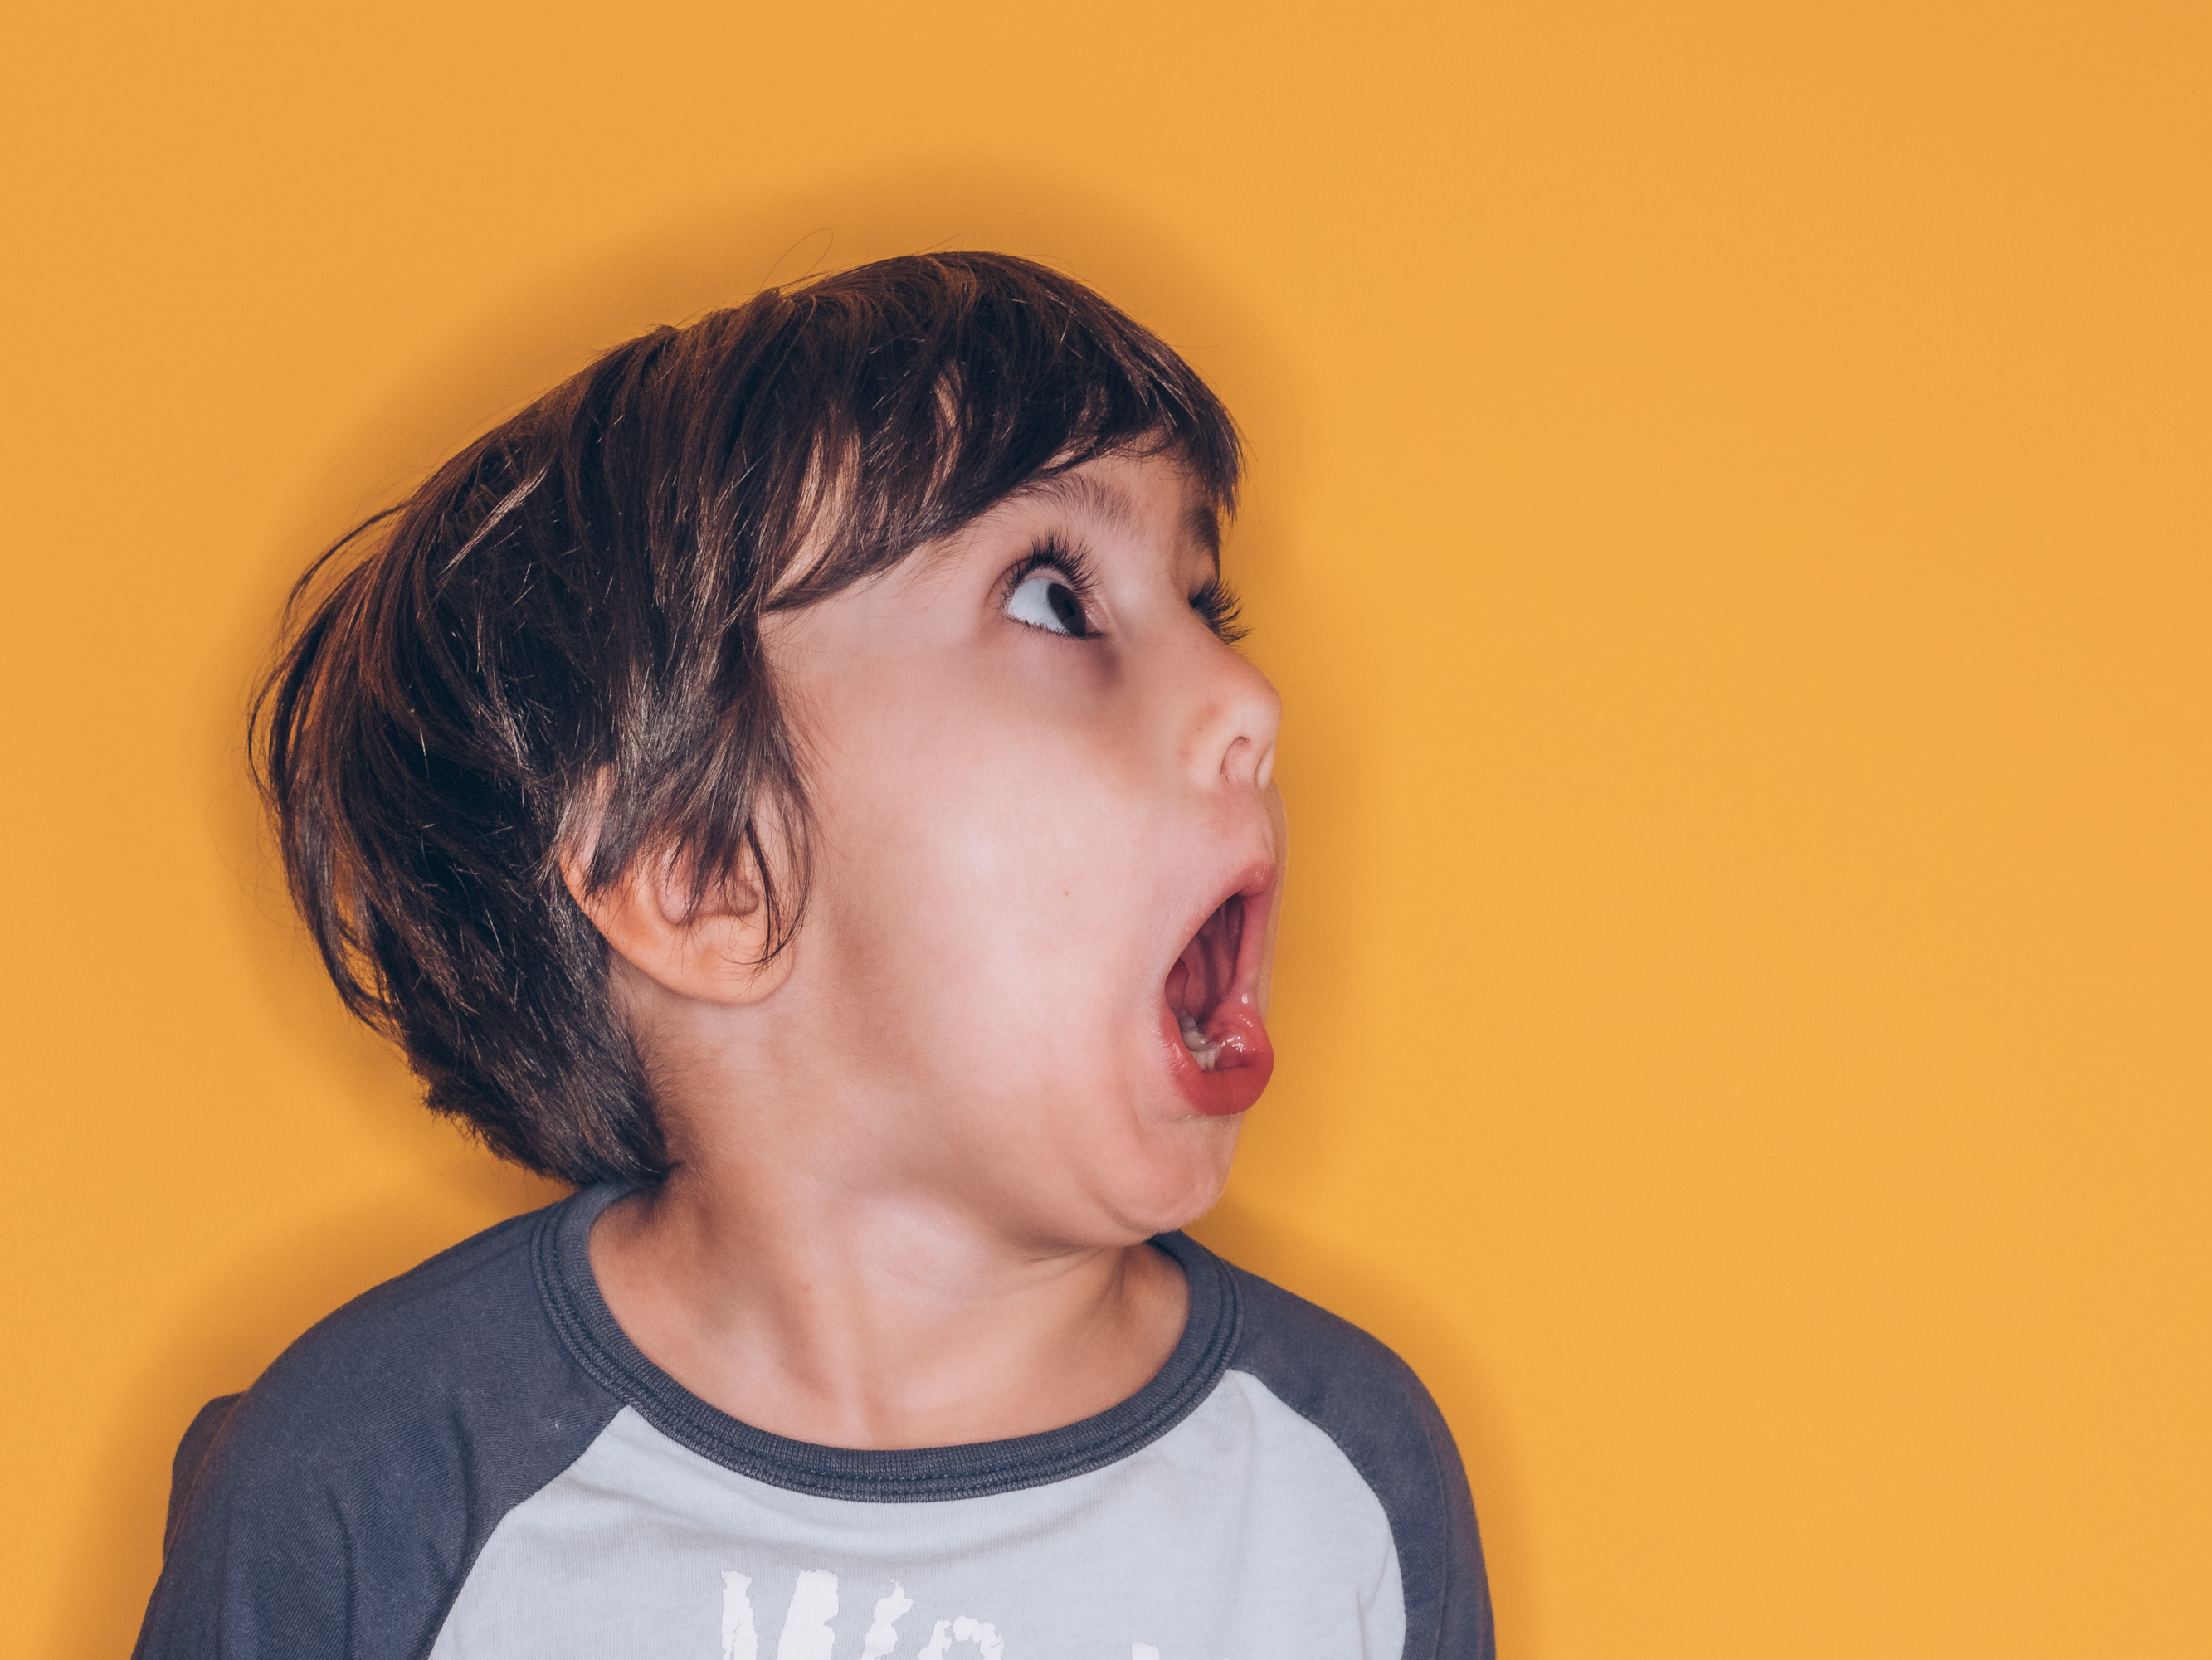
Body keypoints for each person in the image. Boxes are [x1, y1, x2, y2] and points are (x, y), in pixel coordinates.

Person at [134, 253, 1492, 1660]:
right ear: (708, 877)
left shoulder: (1345, 1485)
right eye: (1053, 599)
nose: (1247, 699)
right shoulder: (376, 1480)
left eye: (1205, 610)